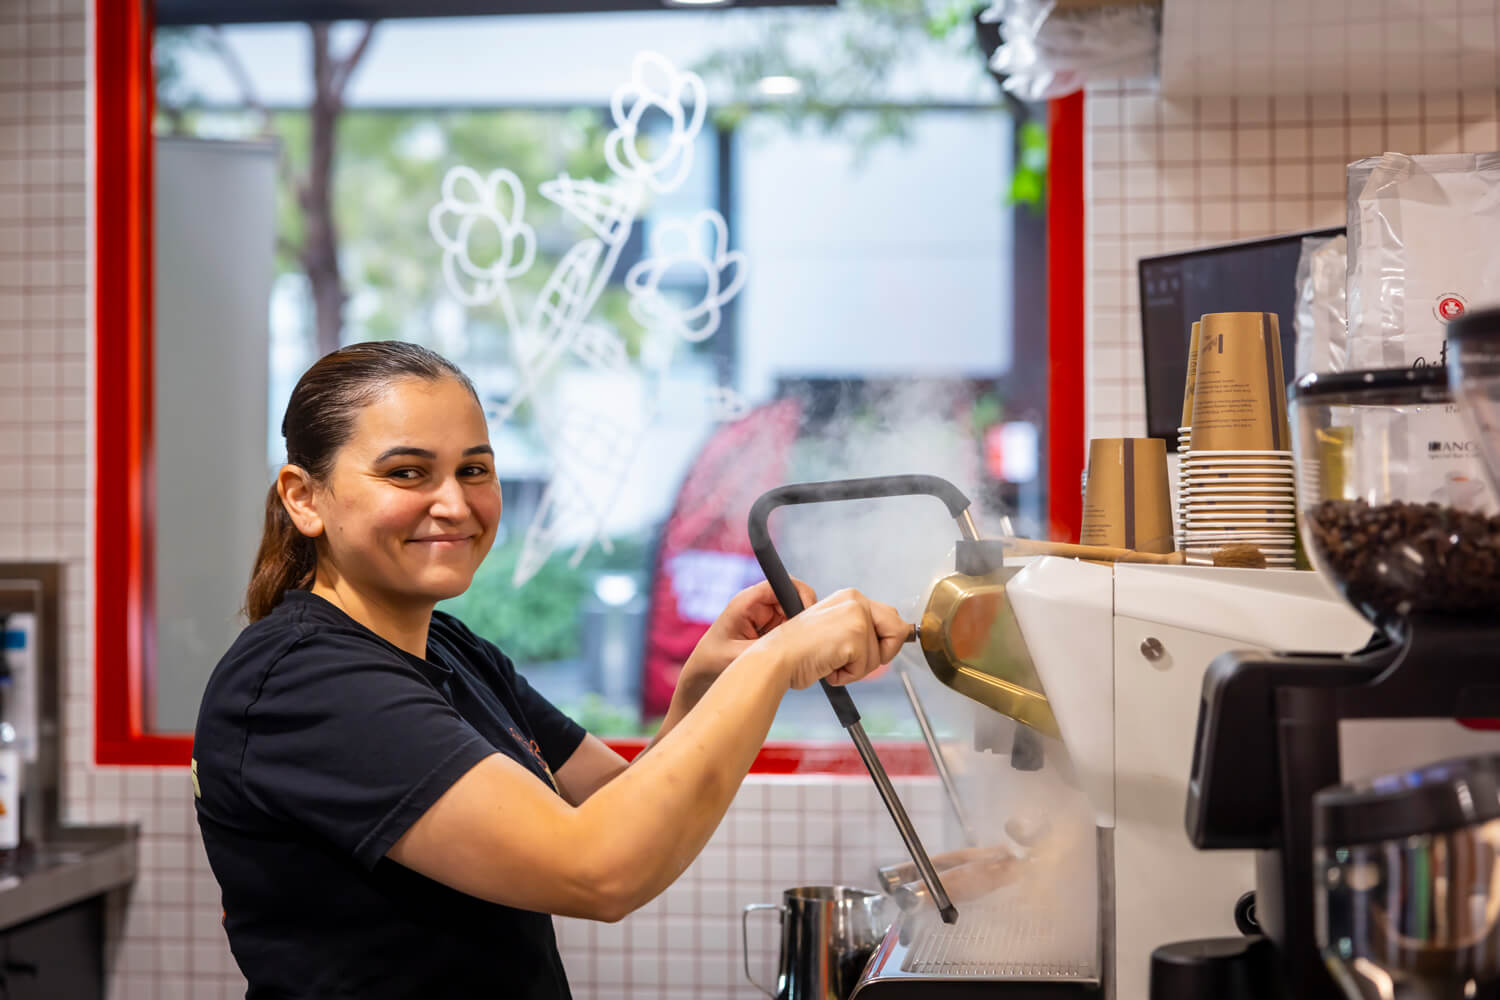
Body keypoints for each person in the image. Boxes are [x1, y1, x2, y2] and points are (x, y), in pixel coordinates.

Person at [192, 341, 909, 999]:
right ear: (304, 497)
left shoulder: (452, 650)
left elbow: (625, 810)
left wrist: (707, 682)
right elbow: (600, 868)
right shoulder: (305, 684)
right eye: (407, 472)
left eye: (474, 469)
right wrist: (778, 661)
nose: (454, 503)